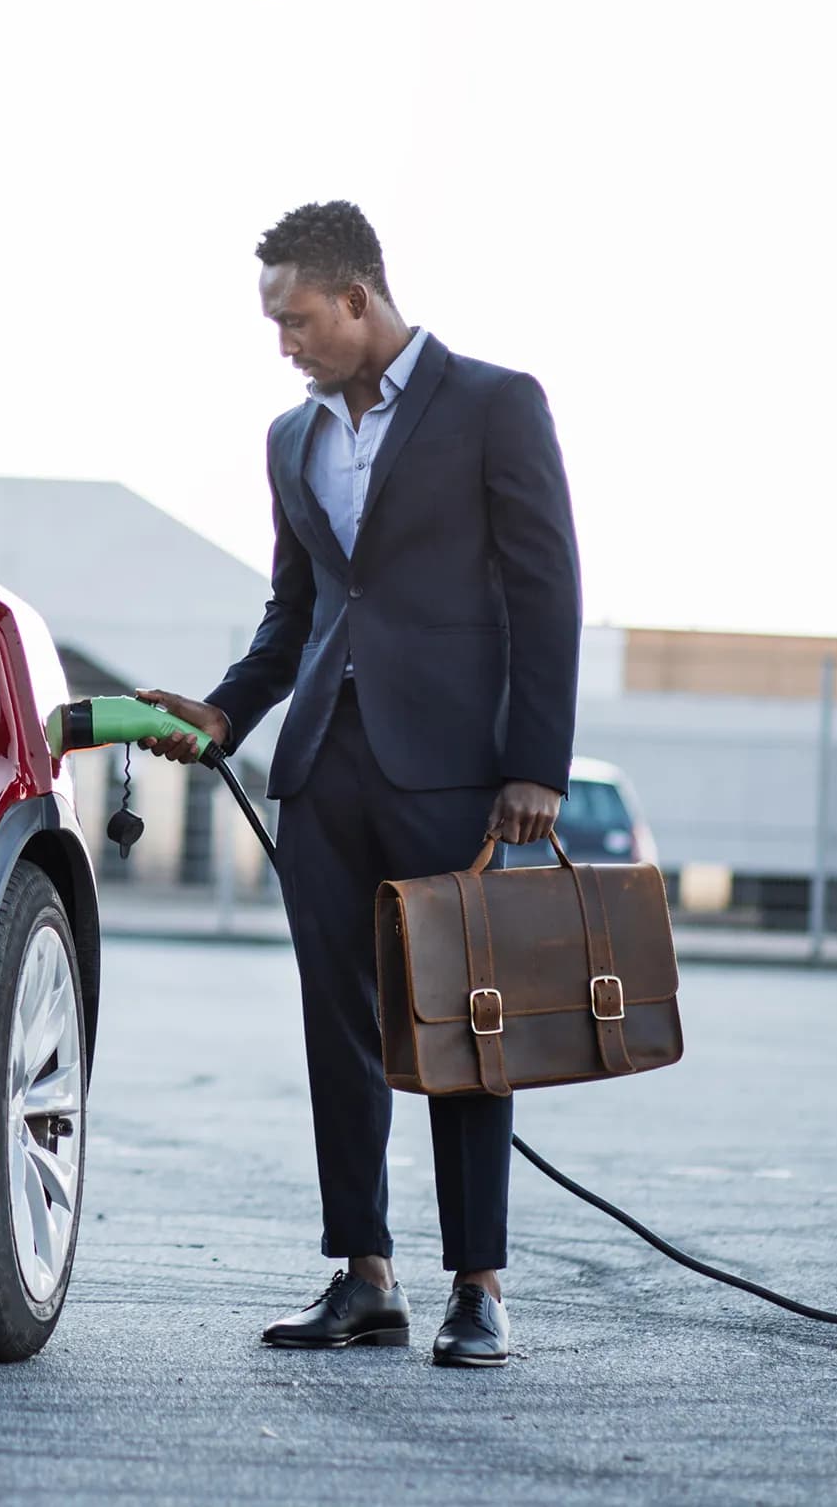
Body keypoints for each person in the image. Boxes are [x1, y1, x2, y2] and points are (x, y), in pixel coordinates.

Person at [135, 200, 579, 1369]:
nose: (281, 341)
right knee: (337, 1026)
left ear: (356, 298)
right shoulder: (291, 439)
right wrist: (228, 712)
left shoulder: (495, 403)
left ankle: (477, 1285)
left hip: (453, 776)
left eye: (293, 318)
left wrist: (536, 760)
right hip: (322, 770)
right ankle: (363, 1272)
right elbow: (299, 611)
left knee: (466, 1026)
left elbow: (545, 590)